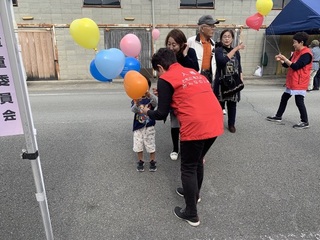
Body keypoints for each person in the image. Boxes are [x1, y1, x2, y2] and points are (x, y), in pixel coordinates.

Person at [142, 48, 224, 227]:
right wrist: (163, 94)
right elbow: (188, 95)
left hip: (195, 124)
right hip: (215, 119)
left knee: (188, 168)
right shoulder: (191, 71)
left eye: (157, 71)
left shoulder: (165, 79)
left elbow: (162, 113)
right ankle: (194, 195)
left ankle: (191, 213)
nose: (158, 75)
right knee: (198, 160)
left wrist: (147, 111)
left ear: (159, 67)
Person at [165, 28, 199, 160]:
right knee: (174, 123)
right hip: (174, 92)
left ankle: (187, 148)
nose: (171, 47)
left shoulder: (190, 52)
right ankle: (175, 148)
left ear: (181, 43)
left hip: (188, 93)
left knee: (187, 123)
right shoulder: (167, 55)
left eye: (174, 44)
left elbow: (194, 69)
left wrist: (185, 54)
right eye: (169, 44)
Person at [266, 32, 312, 129]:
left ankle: (305, 121)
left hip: (300, 81)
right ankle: (278, 116)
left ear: (301, 42)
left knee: (299, 101)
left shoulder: (307, 54)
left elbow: (296, 66)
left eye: (295, 42)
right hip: (292, 80)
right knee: (284, 97)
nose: (293, 44)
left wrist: (285, 58)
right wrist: (281, 60)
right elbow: (287, 65)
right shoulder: (296, 52)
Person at [213, 29, 245, 133]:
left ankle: (231, 124)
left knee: (232, 104)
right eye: (224, 37)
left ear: (232, 39)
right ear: (221, 39)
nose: (226, 39)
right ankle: (217, 124)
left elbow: (239, 66)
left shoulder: (236, 52)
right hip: (221, 82)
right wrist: (235, 49)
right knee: (219, 104)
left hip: (233, 81)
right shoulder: (218, 50)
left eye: (229, 37)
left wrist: (241, 77)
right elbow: (222, 62)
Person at [131, 76, 158, 172]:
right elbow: (133, 110)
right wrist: (137, 103)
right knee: (138, 144)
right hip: (138, 126)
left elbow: (156, 102)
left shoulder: (151, 98)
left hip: (149, 126)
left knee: (150, 144)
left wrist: (150, 95)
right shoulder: (135, 97)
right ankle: (141, 160)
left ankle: (152, 160)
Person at [187, 15, 219, 84]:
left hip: (209, 76)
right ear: (202, 28)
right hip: (194, 77)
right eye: (211, 26)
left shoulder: (213, 43)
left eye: (214, 26)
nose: (213, 29)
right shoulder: (191, 41)